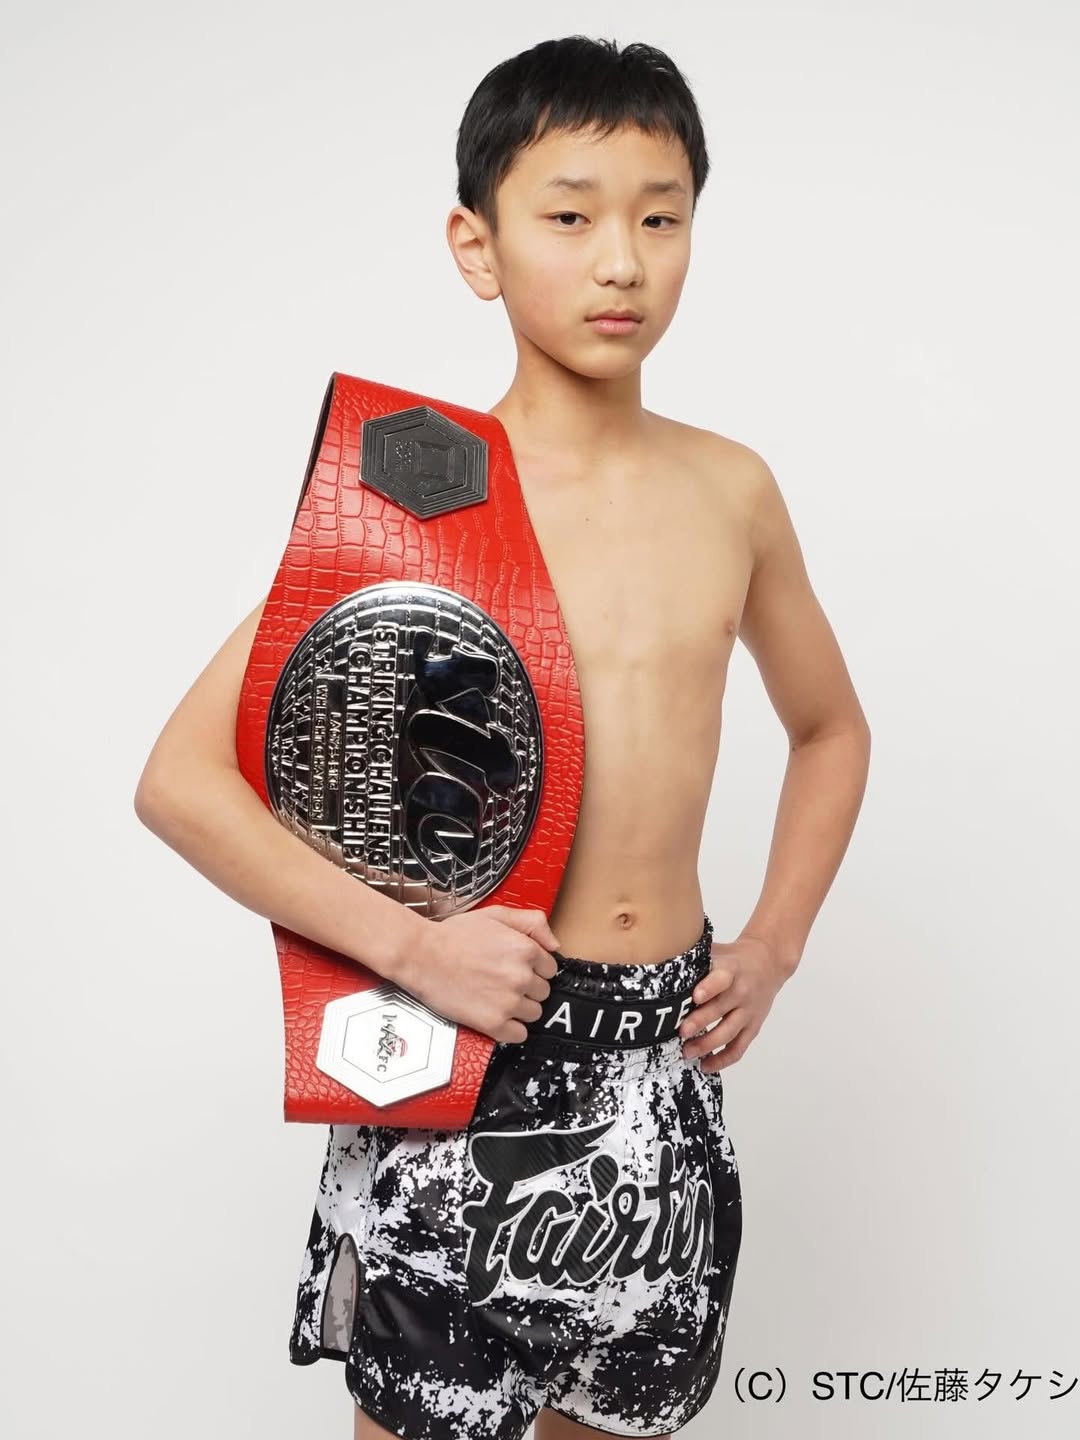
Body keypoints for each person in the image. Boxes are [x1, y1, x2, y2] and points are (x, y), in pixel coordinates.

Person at [134, 33, 871, 1440]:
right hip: (467, 1052)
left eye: (661, 218)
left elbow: (830, 728)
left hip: (661, 1063)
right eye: (572, 216)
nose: (622, 262)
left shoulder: (732, 490)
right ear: (477, 246)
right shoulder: (421, 493)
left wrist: (774, 944)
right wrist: (413, 950)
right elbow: (180, 781)